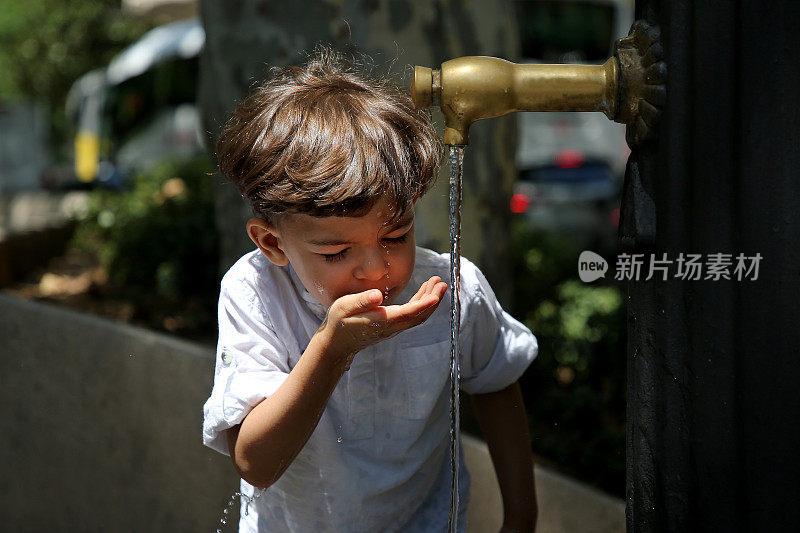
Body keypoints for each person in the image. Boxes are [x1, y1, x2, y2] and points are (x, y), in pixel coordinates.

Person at [202, 49, 539, 532]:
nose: (376, 268)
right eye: (337, 253)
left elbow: (496, 379)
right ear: (273, 243)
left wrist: (522, 517)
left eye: (395, 236)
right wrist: (332, 348)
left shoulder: (451, 288)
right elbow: (255, 462)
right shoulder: (255, 294)